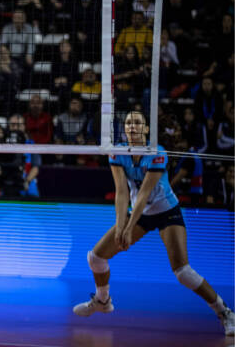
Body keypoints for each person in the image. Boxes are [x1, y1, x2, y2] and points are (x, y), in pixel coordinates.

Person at [73, 111, 234, 336]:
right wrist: (120, 226)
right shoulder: (117, 153)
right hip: (140, 213)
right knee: (95, 257)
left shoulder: (157, 153)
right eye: (129, 123)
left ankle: (225, 312)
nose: (132, 126)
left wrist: (129, 228)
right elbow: (122, 192)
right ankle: (102, 300)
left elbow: (145, 193)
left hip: (166, 211)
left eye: (137, 123)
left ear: (146, 129)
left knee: (183, 271)